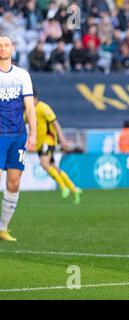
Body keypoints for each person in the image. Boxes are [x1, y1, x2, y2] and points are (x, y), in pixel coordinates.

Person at [0, 34, 37, 241]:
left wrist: (33, 134)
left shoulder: (22, 75)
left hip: (17, 136)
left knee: (13, 183)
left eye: (6, 45)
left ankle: (2, 228)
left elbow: (30, 108)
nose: (3, 48)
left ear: (12, 48)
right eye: (0, 46)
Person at [33, 91, 82, 204]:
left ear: (35, 98)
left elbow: (55, 123)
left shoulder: (43, 108)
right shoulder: (29, 111)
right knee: (53, 167)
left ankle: (63, 187)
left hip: (48, 140)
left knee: (44, 163)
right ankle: (74, 189)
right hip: (39, 144)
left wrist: (62, 139)